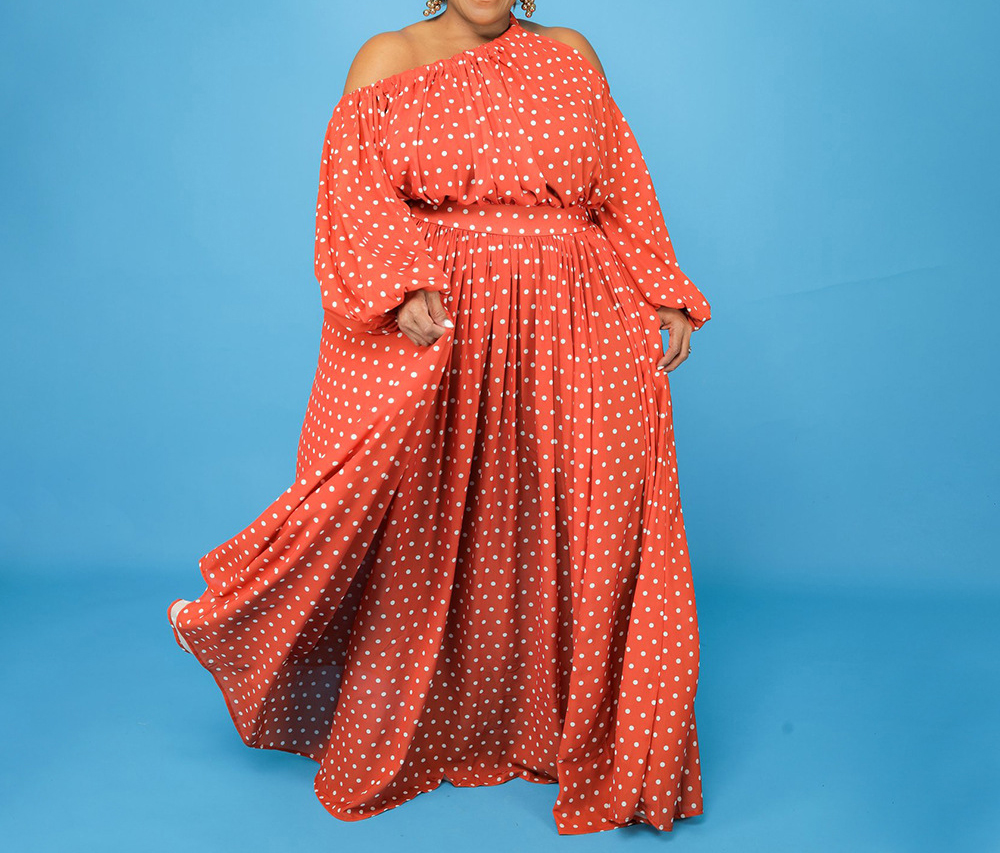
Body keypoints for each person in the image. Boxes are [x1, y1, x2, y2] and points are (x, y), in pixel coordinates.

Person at [168, 0, 711, 836]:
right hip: (450, 315)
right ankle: (253, 628)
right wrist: (400, 284)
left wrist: (663, 289)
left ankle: (558, 729)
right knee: (418, 512)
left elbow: (621, 187)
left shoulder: (570, 53)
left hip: (578, 315)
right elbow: (352, 195)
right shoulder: (387, 58)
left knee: (579, 517)